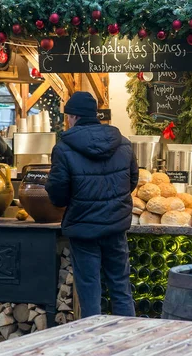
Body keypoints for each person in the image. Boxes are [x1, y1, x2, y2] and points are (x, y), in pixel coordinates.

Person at [45, 92, 138, 318]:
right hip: (116, 227)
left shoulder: (64, 148)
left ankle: (93, 346)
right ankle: (130, 343)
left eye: (67, 116)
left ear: (73, 117)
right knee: (121, 289)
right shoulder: (123, 143)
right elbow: (132, 180)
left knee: (89, 292)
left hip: (84, 229)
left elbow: (57, 194)